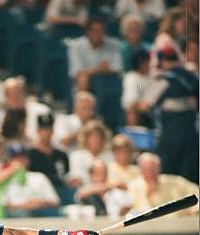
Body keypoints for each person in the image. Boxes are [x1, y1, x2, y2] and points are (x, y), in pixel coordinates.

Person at [137, 47, 199, 182]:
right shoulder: (193, 77)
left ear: (161, 61)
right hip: (192, 135)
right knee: (190, 176)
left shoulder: (164, 80)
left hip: (171, 136)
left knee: (168, 174)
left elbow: (144, 105)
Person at [128, 152, 199, 214]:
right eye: (147, 169)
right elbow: (136, 212)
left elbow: (196, 191)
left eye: (153, 168)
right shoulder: (133, 187)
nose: (150, 172)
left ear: (159, 168)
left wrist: (194, 209)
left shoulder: (175, 182)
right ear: (141, 170)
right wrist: (148, 195)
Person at [67, 17, 123, 91]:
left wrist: (101, 70)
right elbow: (77, 71)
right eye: (94, 30)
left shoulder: (113, 44)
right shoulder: (76, 45)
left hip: (107, 79)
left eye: (100, 30)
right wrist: (99, 69)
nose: (97, 34)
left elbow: (117, 67)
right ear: (87, 32)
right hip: (86, 79)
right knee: (82, 79)